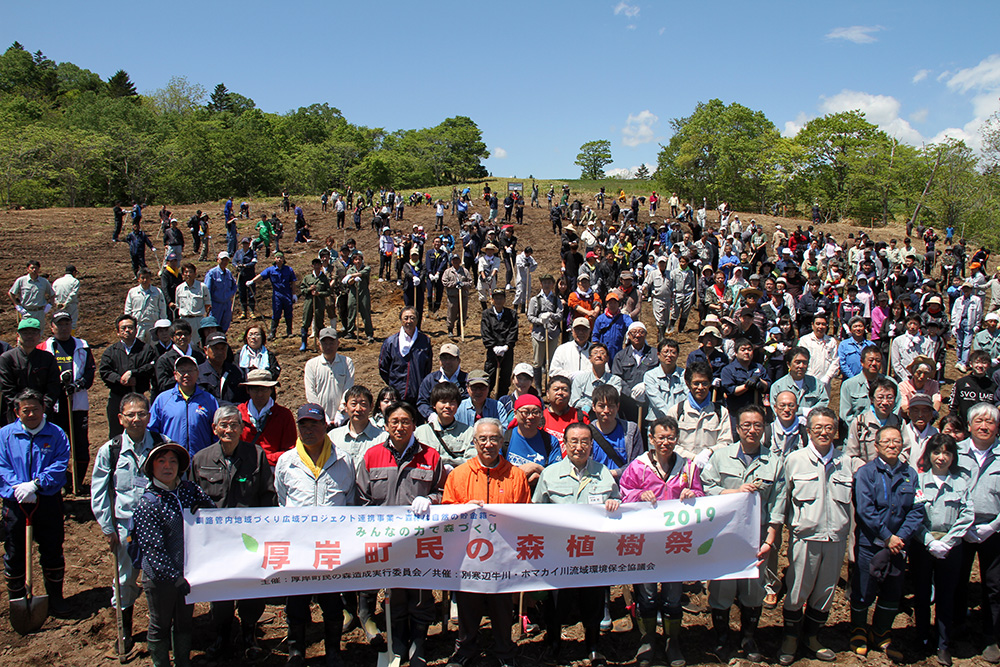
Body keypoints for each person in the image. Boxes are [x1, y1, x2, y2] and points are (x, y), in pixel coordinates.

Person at [356, 401, 444, 666]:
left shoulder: (430, 456)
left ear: (414, 425)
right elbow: (362, 498)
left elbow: (443, 492)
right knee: (393, 594)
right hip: (385, 540)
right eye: (394, 421)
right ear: (385, 425)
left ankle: (419, 642)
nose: (400, 426)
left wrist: (430, 498)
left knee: (420, 593)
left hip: (420, 541)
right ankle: (397, 642)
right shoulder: (372, 456)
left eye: (406, 421)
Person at [772, 407, 861, 665]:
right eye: (818, 428)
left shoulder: (846, 463)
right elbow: (782, 500)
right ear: (808, 431)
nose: (824, 432)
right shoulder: (795, 460)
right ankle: (789, 638)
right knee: (798, 588)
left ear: (836, 432)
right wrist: (776, 531)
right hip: (805, 538)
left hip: (835, 539)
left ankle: (812, 636)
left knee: (825, 591)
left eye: (829, 428)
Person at [442, 418, 530, 667]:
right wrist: (462, 509)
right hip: (468, 556)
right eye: (483, 439)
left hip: (504, 557)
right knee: (468, 606)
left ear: (502, 442)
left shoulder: (516, 476)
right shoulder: (459, 475)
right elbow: (446, 514)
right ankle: (466, 648)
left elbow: (525, 514)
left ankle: (504, 649)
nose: (488, 444)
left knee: (502, 608)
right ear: (474, 442)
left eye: (494, 439)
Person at [275, 403, 356, 665]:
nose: (308, 430)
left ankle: (333, 650)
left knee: (332, 603)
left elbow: (351, 503)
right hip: (298, 546)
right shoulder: (286, 462)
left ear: (325, 426)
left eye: (314, 424)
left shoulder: (344, 460)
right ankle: (296, 651)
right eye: (303, 425)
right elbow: (282, 500)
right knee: (296, 603)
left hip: (331, 547)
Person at [533, 421, 621, 666]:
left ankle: (593, 645)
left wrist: (615, 503)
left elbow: (616, 499)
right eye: (574, 441)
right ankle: (553, 642)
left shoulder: (602, 472)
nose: (579, 447)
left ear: (591, 444)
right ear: (565, 444)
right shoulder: (550, 474)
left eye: (585, 442)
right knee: (557, 601)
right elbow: (536, 510)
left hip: (592, 550)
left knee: (592, 599)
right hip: (559, 551)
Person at [190, 406, 274, 658]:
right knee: (221, 591)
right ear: (214, 429)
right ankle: (222, 635)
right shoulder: (200, 460)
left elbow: (268, 496)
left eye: (234, 425)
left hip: (250, 540)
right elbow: (192, 501)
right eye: (223, 425)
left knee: (252, 590)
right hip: (216, 542)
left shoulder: (256, 456)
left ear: (242, 428)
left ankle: (249, 633)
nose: (229, 429)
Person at [701, 404, 783, 663]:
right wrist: (733, 493)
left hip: (756, 537)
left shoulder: (774, 462)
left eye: (757, 425)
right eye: (746, 425)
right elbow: (707, 487)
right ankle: (722, 639)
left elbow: (778, 506)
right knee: (722, 589)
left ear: (764, 429)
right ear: (737, 429)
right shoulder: (721, 456)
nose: (752, 430)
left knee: (753, 589)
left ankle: (749, 637)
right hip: (724, 536)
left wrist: (769, 540)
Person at [619, 416, 703, 667]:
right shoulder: (638, 466)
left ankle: (672, 640)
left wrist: (693, 494)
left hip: (675, 542)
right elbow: (624, 493)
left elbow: (702, 494)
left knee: (673, 594)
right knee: (645, 593)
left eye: (670, 437)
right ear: (651, 439)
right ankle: (647, 639)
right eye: (660, 437)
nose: (665, 442)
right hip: (645, 541)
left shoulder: (688, 468)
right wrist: (638, 494)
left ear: (677, 439)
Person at [91, 393, 165, 657]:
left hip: (158, 527)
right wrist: (108, 528)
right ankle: (125, 630)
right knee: (125, 579)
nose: (136, 419)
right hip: (126, 528)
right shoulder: (110, 451)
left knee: (161, 579)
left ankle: (161, 628)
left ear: (149, 416)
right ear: (120, 418)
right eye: (131, 415)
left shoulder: (161, 445)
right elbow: (100, 493)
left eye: (141, 414)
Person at [131, 441, 215, 667]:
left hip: (188, 572)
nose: (168, 466)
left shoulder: (189, 491)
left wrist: (204, 506)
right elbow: (152, 549)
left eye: (173, 461)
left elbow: (212, 513)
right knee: (160, 623)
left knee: (184, 622)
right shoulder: (148, 503)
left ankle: (182, 662)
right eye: (161, 461)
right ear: (152, 467)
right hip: (160, 579)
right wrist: (174, 578)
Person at [849, 424, 924, 660]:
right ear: (876, 446)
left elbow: (917, 509)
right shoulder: (866, 473)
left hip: (899, 546)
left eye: (896, 441)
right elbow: (865, 510)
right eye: (886, 442)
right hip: (871, 544)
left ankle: (881, 631)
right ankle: (859, 630)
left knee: (892, 590)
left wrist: (900, 537)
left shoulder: (910, 474)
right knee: (863, 588)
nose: (892, 446)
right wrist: (886, 536)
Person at [0, 389, 71, 615]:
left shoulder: (56, 434)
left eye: (36, 409)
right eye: (26, 411)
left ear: (44, 409)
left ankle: (56, 598)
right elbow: (2, 465)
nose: (31, 415)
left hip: (47, 500)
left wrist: (37, 485)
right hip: (15, 503)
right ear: (16, 412)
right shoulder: (5, 434)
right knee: (14, 551)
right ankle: (17, 600)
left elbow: (60, 464)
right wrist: (18, 488)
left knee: (52, 548)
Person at [913, 433, 972, 666]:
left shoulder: (961, 482)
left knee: (946, 596)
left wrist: (948, 542)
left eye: (947, 452)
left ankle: (943, 643)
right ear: (928, 454)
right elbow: (915, 515)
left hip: (950, 547)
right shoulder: (918, 481)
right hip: (923, 546)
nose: (941, 457)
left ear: (953, 456)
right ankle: (921, 638)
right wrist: (929, 541)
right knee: (921, 593)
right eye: (937, 452)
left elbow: (967, 515)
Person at [956, 402, 1000, 664]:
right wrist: (965, 526)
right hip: (961, 529)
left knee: (994, 586)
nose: (984, 426)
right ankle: (955, 628)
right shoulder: (957, 452)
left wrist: (992, 526)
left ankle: (991, 636)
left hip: (994, 529)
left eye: (990, 422)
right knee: (957, 581)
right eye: (979, 421)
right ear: (969, 426)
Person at [41, 311, 95, 490]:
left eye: (66, 324)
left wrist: (78, 385)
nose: (63, 328)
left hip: (76, 402)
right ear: (52, 327)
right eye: (59, 324)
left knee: (80, 443)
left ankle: (77, 481)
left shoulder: (82, 345)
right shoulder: (45, 347)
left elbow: (89, 372)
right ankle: (61, 479)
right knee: (54, 443)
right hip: (54, 404)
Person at [100, 315, 158, 438]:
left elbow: (151, 367)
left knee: (140, 431)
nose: (127, 330)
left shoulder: (145, 349)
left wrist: (134, 373)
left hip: (138, 395)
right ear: (117, 332)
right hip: (117, 397)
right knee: (116, 433)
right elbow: (105, 372)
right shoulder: (111, 351)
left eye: (130, 327)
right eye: (123, 328)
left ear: (136, 330)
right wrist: (120, 380)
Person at [148, 356, 218, 456]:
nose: (186, 374)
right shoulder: (163, 399)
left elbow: (216, 431)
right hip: (172, 460)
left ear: (197, 373)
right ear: (175, 375)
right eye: (182, 371)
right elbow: (151, 430)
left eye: (190, 370)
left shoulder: (209, 400)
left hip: (201, 459)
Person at [0, 318, 60, 425]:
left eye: (33, 332)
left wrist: (42, 409)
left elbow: (53, 385)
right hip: (16, 415)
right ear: (18, 335)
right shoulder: (7, 358)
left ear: (39, 335)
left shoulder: (48, 358)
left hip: (43, 415)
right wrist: (21, 410)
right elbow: (7, 389)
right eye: (25, 333)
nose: (29, 336)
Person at [237, 368, 296, 469]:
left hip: (275, 470)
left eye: (264, 389)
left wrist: (262, 459)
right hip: (244, 469)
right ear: (248, 390)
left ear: (271, 389)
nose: (260, 394)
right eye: (255, 389)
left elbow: (290, 450)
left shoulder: (284, 415)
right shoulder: (238, 413)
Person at [378, 307, 432, 406]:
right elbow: (383, 367)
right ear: (401, 320)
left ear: (417, 320)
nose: (409, 321)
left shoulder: (424, 341)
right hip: (397, 396)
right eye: (406, 318)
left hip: (417, 395)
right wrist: (394, 383)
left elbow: (427, 367)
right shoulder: (391, 342)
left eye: (412, 318)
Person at [304, 328, 355, 426]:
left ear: (338, 343)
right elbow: (310, 392)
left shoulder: (347, 362)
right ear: (319, 344)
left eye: (331, 343)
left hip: (342, 418)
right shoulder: (311, 364)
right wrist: (321, 414)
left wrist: (340, 412)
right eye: (324, 343)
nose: (328, 346)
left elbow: (348, 389)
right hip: (319, 419)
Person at [612, 321, 659, 423]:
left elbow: (660, 373)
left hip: (649, 401)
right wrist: (630, 393)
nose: (637, 335)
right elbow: (617, 378)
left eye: (641, 332)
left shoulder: (655, 354)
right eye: (634, 332)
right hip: (627, 403)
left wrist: (646, 385)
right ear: (628, 335)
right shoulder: (620, 356)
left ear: (646, 334)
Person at [721, 339, 771, 433]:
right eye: (743, 349)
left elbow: (768, 386)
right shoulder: (728, 370)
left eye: (749, 349)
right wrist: (747, 386)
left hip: (756, 411)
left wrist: (759, 380)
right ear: (736, 353)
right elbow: (731, 391)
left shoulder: (759, 367)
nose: (746, 352)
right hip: (737, 412)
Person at [839, 347, 897, 428]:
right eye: (871, 360)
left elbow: (896, 410)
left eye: (878, 360)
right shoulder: (849, 385)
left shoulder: (891, 383)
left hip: (886, 431)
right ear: (862, 362)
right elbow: (845, 415)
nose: (874, 363)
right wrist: (862, 428)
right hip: (859, 431)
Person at [247, 252, 297, 339]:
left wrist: (294, 294)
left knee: (288, 314)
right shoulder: (271, 270)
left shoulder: (289, 269)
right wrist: (252, 281)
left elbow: (293, 282)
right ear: (274, 259)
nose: (279, 259)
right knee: (276, 313)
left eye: (281, 258)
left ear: (284, 259)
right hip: (277, 295)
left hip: (287, 295)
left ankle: (289, 332)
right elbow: (261, 276)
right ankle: (272, 333)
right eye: (277, 257)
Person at [526, 274, 563, 391]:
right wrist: (540, 320)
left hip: (552, 333)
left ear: (552, 284)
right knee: (537, 361)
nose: (547, 285)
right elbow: (530, 316)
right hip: (538, 334)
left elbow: (560, 315)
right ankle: (538, 387)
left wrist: (551, 315)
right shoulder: (534, 300)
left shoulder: (557, 300)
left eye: (549, 282)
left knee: (551, 361)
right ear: (541, 284)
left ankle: (549, 385)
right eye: (544, 282)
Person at [416, 343, 468, 422]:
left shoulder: (467, 380)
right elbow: (422, 401)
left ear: (459, 360)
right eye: (444, 358)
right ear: (439, 361)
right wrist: (431, 415)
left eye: (451, 358)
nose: (447, 361)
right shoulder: (430, 380)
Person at [769, 346, 829, 414]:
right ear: (789, 364)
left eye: (805, 363)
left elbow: (824, 402)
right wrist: (802, 411)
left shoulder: (817, 384)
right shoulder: (778, 387)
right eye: (797, 362)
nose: (801, 366)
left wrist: (809, 414)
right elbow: (777, 410)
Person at [482, 289, 518, 398]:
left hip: (507, 351)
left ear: (504, 300)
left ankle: (501, 400)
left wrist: (506, 346)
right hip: (492, 351)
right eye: (496, 298)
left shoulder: (511, 314)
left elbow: (513, 331)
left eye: (501, 298)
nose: (498, 300)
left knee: (505, 378)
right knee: (489, 376)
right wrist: (493, 346)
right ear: (492, 300)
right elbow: (485, 331)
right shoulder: (487, 314)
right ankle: (487, 400)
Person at [570, 343, 623, 414]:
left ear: (607, 358)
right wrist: (588, 405)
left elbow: (612, 400)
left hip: (608, 416)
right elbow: (574, 402)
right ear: (590, 359)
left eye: (602, 353)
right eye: (595, 353)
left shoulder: (615, 380)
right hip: (585, 417)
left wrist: (587, 402)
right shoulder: (580, 379)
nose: (598, 356)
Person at [950, 349, 996, 430]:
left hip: (984, 429)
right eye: (977, 362)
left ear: (989, 365)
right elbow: (953, 406)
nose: (980, 366)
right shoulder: (960, 383)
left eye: (984, 363)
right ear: (971, 364)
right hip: (963, 428)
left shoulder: (993, 386)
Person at [197, 332, 247, 405]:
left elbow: (243, 397)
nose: (220, 352)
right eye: (215, 348)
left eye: (223, 348)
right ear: (206, 350)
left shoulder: (236, 371)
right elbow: (203, 398)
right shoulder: (198, 373)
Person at [124, 268, 169, 344]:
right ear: (138, 279)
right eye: (142, 278)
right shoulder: (132, 292)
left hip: (153, 324)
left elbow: (162, 308)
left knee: (154, 346)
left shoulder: (157, 292)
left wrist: (162, 323)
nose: (145, 280)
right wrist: (129, 324)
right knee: (138, 345)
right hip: (138, 325)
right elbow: (128, 309)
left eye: (147, 278)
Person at [299, 257, 330, 351]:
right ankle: (304, 343)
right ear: (312, 266)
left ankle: (321, 343)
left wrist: (319, 293)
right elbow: (302, 290)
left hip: (319, 303)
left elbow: (328, 291)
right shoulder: (307, 278)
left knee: (319, 323)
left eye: (318, 265)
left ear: (321, 266)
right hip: (309, 302)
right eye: (315, 264)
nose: (316, 266)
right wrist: (309, 289)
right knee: (306, 322)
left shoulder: (324, 278)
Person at [953, 279, 983, 371]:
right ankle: (959, 360)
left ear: (971, 290)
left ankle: (964, 362)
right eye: (964, 289)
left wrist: (977, 324)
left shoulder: (976, 300)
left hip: (969, 324)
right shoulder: (959, 300)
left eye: (968, 289)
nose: (965, 291)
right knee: (959, 343)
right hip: (960, 323)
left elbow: (979, 313)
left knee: (967, 344)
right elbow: (954, 312)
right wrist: (954, 324)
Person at [204, 252, 238, 333]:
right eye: (222, 260)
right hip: (216, 305)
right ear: (218, 260)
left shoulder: (228, 273)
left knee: (225, 324)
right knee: (214, 326)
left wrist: (231, 294)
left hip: (227, 304)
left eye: (226, 260)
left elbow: (234, 285)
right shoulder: (212, 273)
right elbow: (207, 289)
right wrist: (208, 303)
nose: (224, 262)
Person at [344, 251, 374, 342]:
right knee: (351, 312)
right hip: (353, 293)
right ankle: (350, 332)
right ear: (353, 261)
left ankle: (369, 334)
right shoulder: (350, 269)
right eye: (356, 260)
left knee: (366, 313)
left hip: (364, 293)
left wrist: (351, 276)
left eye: (359, 259)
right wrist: (353, 279)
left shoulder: (366, 268)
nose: (358, 261)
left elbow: (363, 273)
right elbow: (349, 282)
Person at [442, 253, 474, 338]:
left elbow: (470, 283)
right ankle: (450, 330)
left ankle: (460, 331)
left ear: (460, 261)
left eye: (457, 260)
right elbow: (445, 282)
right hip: (452, 296)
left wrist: (463, 284)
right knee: (451, 313)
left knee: (462, 314)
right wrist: (454, 284)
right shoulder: (448, 272)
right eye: (454, 260)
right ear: (451, 261)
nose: (456, 261)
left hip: (463, 296)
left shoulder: (465, 271)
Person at [174, 263, 211, 335]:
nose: (188, 274)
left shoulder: (202, 287)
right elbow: (178, 305)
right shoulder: (179, 288)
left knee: (198, 342)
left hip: (197, 319)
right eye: (186, 272)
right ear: (183, 275)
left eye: (190, 272)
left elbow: (207, 305)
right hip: (184, 320)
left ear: (195, 274)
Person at [233, 238, 258, 319]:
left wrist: (245, 265)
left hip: (250, 275)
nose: (245, 245)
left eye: (246, 243)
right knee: (242, 293)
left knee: (251, 293)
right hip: (241, 275)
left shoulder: (252, 253)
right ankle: (244, 311)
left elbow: (254, 262)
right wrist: (236, 266)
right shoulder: (238, 253)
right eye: (243, 243)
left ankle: (251, 311)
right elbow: (233, 261)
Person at [52, 265, 80, 331]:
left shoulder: (57, 281)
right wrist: (66, 303)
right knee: (71, 323)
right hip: (71, 305)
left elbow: (53, 293)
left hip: (59, 306)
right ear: (73, 272)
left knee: (59, 322)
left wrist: (57, 302)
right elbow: (73, 294)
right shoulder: (75, 281)